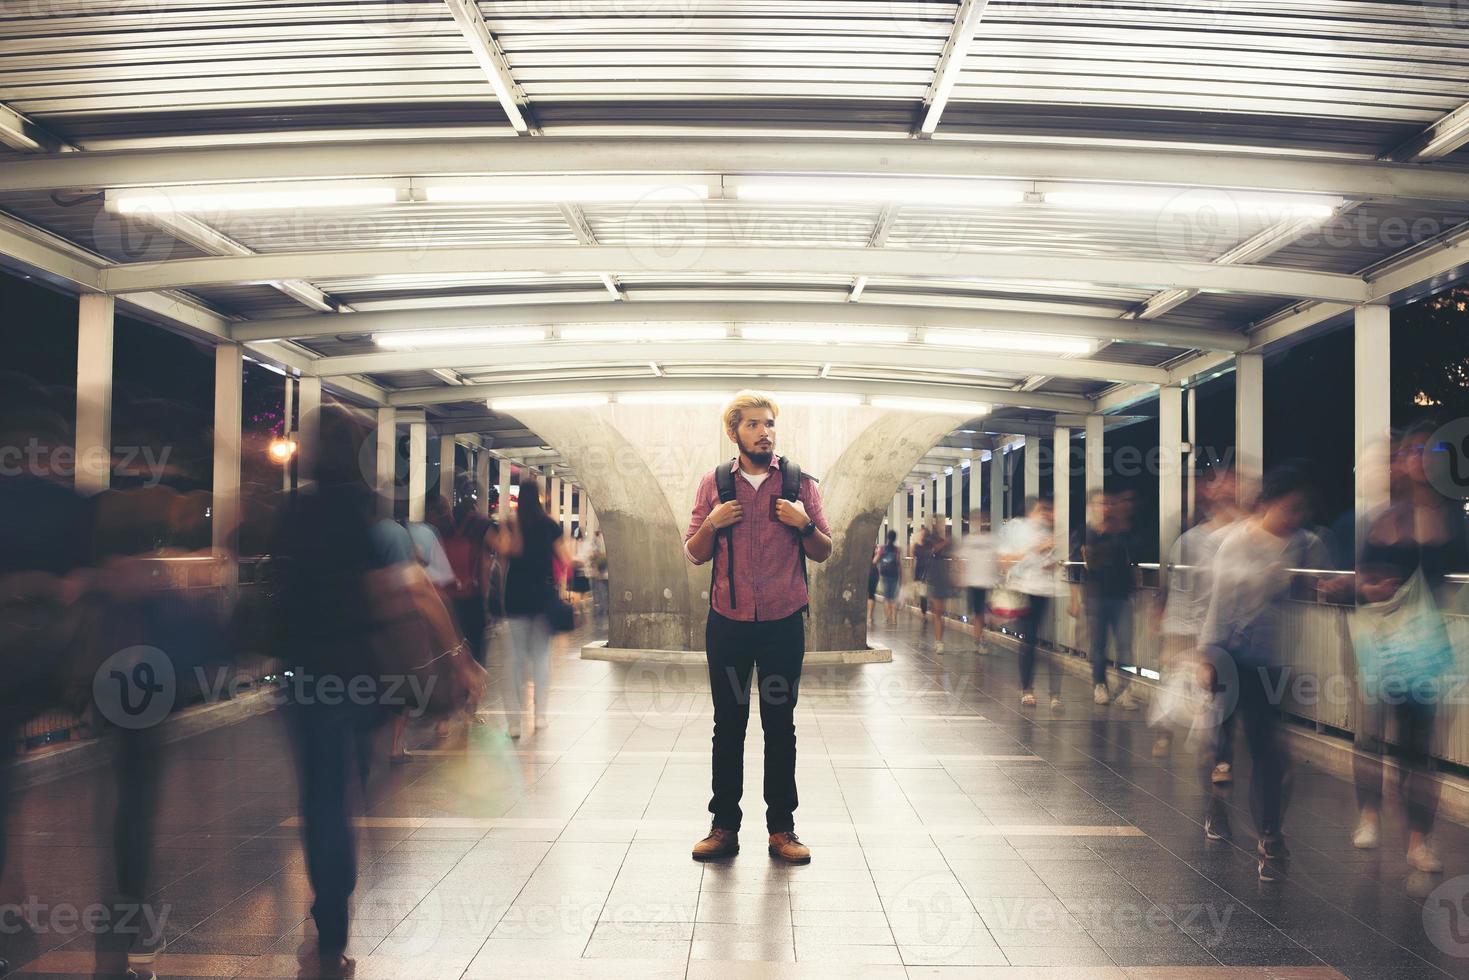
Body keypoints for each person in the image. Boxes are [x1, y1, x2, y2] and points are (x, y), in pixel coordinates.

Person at [270, 408, 469, 978]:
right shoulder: (367, 515)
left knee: (318, 794)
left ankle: (328, 905)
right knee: (349, 784)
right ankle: (339, 894)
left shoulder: (292, 512)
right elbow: (401, 591)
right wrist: (452, 657)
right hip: (360, 673)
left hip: (303, 674)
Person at [683, 391, 832, 865]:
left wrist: (804, 524)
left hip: (783, 623)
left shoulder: (799, 483)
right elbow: (694, 551)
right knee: (727, 724)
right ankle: (723, 827)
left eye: (769, 424)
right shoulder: (713, 484)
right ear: (734, 432)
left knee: (779, 725)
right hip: (727, 623)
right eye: (752, 425)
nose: (764, 432)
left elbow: (824, 550)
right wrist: (712, 521)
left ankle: (782, 830)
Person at [1198, 462, 1331, 881]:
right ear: (1270, 503)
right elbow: (1219, 603)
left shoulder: (1305, 543)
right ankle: (1220, 813)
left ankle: (1270, 834)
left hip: (1276, 662)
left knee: (1267, 750)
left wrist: (1327, 587)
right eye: (1290, 507)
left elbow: (1320, 582)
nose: (1295, 517)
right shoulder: (1237, 542)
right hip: (1233, 658)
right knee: (1225, 745)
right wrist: (1207, 657)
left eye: (1302, 509)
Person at [1349, 422, 1468, 873]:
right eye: (1412, 451)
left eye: (1427, 451)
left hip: (1431, 648)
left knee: (1418, 747)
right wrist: (1371, 587)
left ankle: (1419, 841)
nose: (1418, 458)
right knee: (1373, 736)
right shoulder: (1381, 518)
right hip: (1382, 643)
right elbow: (1360, 578)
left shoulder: (1451, 517)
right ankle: (1370, 813)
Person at [1152, 470, 1240, 765]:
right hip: (1192, 625)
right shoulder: (1192, 541)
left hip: (1213, 626)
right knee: (1197, 683)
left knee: (1205, 685)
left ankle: (1209, 746)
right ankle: (1210, 747)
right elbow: (1179, 587)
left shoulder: (1233, 538)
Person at [497, 472, 570, 738]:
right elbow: (566, 559)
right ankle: (540, 715)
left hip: (515, 597)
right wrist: (559, 581)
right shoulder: (549, 525)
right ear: (539, 498)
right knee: (540, 658)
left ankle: (514, 722)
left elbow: (506, 555)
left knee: (515, 660)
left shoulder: (510, 523)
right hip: (542, 598)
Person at [1075, 490, 1141, 708]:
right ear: (1091, 507)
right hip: (1096, 596)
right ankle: (1100, 685)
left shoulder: (1121, 531)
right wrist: (1075, 598)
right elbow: (1082, 564)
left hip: (1121, 595)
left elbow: (1131, 560)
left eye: (1107, 503)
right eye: (1099, 503)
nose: (1105, 507)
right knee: (1099, 644)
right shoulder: (1087, 533)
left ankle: (1125, 689)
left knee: (1124, 644)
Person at [1001, 496, 1062, 710]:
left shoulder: (1047, 532)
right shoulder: (1016, 529)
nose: (1046, 514)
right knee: (1028, 641)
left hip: (1044, 591)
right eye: (1042, 509)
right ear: (1031, 511)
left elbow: (1050, 564)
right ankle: (1027, 689)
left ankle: (1055, 694)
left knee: (1048, 644)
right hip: (1024, 590)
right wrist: (1034, 550)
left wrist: (1050, 560)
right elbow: (1006, 560)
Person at [958, 509, 999, 645]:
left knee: (985, 612)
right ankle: (978, 639)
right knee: (978, 613)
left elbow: (997, 559)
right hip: (974, 581)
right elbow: (962, 559)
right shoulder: (969, 540)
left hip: (988, 581)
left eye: (984, 519)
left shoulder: (992, 539)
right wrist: (963, 578)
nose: (981, 522)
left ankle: (980, 637)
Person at [925, 522, 958, 652]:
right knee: (938, 611)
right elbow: (932, 551)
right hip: (933, 579)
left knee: (940, 612)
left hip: (942, 579)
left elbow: (950, 556)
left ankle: (939, 640)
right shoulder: (929, 541)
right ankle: (939, 641)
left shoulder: (944, 543)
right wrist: (945, 543)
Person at [580, 526, 609, 626]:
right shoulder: (597, 542)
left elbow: (594, 554)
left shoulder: (598, 542)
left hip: (602, 571)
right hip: (601, 572)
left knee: (603, 591)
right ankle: (603, 608)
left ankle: (603, 608)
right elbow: (593, 554)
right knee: (602, 591)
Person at [875, 530, 903, 627]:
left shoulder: (882, 549)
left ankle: (888, 617)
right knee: (893, 597)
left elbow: (875, 561)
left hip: (885, 575)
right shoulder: (897, 550)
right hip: (894, 575)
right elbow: (899, 564)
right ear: (895, 538)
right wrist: (902, 576)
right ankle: (894, 618)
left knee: (887, 597)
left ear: (887, 537)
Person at [912, 525, 932, 623]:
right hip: (920, 571)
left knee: (924, 594)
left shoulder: (928, 545)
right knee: (923, 594)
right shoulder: (917, 546)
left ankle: (925, 613)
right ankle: (924, 613)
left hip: (927, 571)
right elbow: (913, 556)